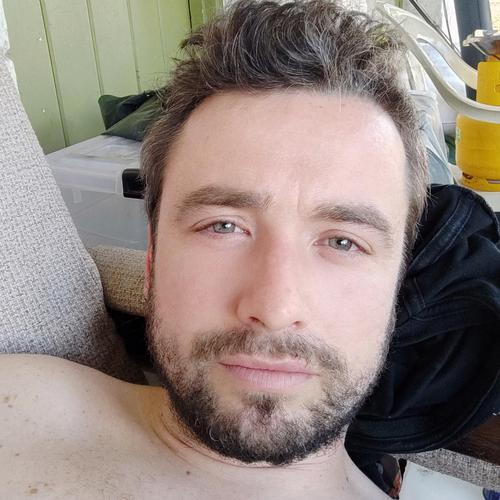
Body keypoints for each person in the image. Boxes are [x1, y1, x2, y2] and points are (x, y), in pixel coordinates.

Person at [0, 1, 428, 498]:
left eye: (342, 241)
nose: (274, 309)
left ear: (396, 285)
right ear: (152, 261)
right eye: (223, 226)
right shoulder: (18, 407)